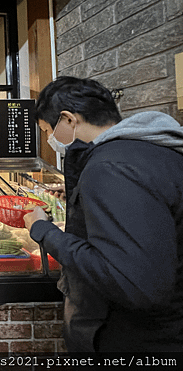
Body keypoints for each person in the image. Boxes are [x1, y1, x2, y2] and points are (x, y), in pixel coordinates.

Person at [23, 76, 183, 353]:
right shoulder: (156, 151)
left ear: (68, 120)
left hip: (139, 340)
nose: (49, 141)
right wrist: (82, 193)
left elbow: (132, 281)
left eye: (47, 130)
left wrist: (43, 230)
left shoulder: (111, 168)